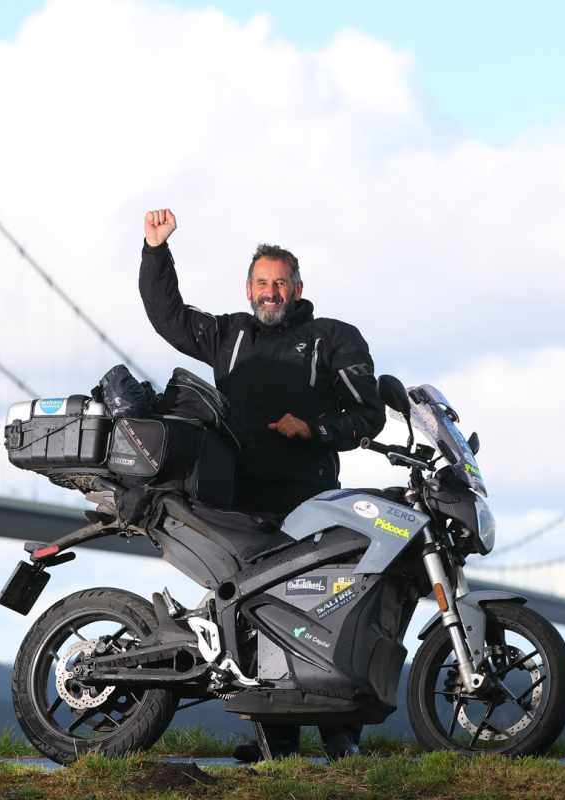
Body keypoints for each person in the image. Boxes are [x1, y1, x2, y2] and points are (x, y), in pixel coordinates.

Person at [137, 207, 385, 759]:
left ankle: (341, 739)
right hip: (238, 501)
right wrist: (156, 251)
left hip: (312, 501)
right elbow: (168, 317)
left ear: (298, 288)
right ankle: (277, 744)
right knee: (254, 615)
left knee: (323, 612)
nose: (270, 292)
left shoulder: (334, 338)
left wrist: (316, 427)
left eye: (280, 283)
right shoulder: (228, 333)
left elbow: (369, 416)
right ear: (248, 288)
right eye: (261, 283)